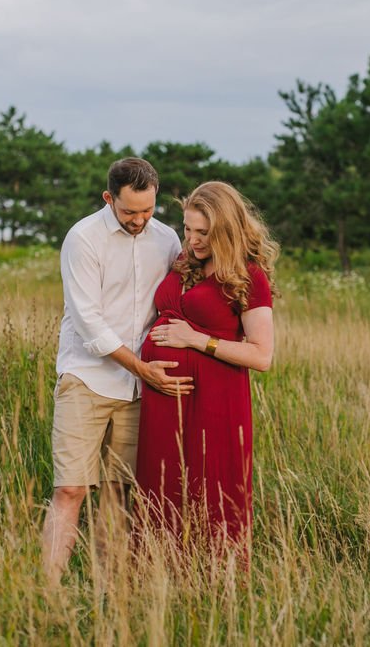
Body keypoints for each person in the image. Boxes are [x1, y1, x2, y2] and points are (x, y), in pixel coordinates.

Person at [40, 157, 190, 586]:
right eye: (129, 212)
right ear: (109, 199)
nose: (140, 220)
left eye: (147, 210)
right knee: (70, 489)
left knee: (119, 492)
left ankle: (109, 591)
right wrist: (143, 368)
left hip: (140, 389)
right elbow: (90, 323)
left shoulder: (165, 239)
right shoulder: (83, 239)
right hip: (86, 378)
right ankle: (46, 593)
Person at [135, 181, 278, 560]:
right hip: (164, 400)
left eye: (203, 232)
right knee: (161, 487)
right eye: (188, 229)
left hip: (215, 403)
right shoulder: (187, 263)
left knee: (210, 489)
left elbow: (262, 356)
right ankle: (156, 576)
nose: (193, 240)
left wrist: (197, 341)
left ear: (226, 230)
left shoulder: (249, 276)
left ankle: (211, 582)